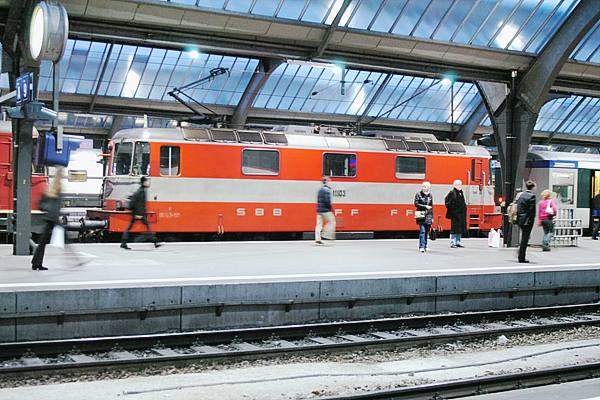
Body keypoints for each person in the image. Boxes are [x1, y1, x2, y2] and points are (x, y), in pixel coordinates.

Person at [32, 168, 64, 271]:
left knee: (43, 242)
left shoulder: (51, 188)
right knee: (44, 242)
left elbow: (42, 203)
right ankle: (36, 263)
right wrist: (56, 218)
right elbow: (55, 206)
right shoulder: (57, 188)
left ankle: (36, 262)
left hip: (50, 218)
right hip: (52, 218)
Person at [121, 176, 160, 250]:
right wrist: (138, 214)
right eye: (146, 182)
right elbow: (137, 204)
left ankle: (155, 242)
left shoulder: (142, 190)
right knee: (132, 228)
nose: (148, 183)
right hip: (138, 213)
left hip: (140, 213)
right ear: (143, 182)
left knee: (147, 227)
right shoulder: (140, 192)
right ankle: (123, 242)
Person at [516, 180, 537, 263]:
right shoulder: (532, 196)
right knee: (525, 239)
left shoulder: (521, 195)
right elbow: (532, 210)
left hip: (520, 219)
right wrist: (532, 219)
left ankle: (520, 254)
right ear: (533, 187)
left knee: (524, 238)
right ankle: (521, 257)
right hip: (527, 220)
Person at [445, 179, 467, 248]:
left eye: (460, 184)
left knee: (459, 228)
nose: (459, 186)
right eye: (458, 184)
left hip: (461, 214)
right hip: (455, 214)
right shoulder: (452, 192)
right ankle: (452, 242)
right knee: (454, 228)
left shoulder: (461, 192)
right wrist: (453, 209)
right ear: (454, 185)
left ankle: (458, 241)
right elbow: (447, 202)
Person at [315, 176, 335, 244]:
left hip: (319, 210)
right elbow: (327, 201)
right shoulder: (327, 190)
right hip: (325, 210)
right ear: (326, 182)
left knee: (319, 225)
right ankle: (326, 235)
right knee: (332, 221)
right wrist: (330, 208)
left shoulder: (320, 190)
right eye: (329, 181)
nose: (330, 182)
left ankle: (318, 239)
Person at [414, 181, 433, 253]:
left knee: (426, 232)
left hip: (428, 215)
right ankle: (421, 246)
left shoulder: (430, 195)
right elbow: (416, 204)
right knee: (422, 231)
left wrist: (432, 217)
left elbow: (431, 206)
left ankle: (425, 246)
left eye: (426, 187)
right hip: (421, 214)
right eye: (423, 186)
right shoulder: (418, 194)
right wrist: (425, 206)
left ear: (429, 187)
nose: (424, 188)